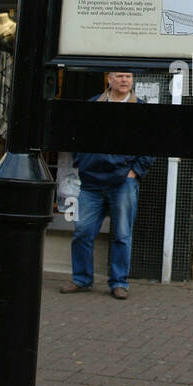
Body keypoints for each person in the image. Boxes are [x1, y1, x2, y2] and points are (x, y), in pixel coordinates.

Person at [60, 69, 153, 299]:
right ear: (109, 79)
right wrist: (82, 162)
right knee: (82, 232)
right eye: (120, 76)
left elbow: (152, 143)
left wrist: (135, 172)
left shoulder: (140, 109)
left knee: (122, 235)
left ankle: (119, 282)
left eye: (129, 77)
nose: (124, 80)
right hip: (90, 183)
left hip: (123, 183)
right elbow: (78, 137)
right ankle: (81, 279)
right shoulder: (93, 105)